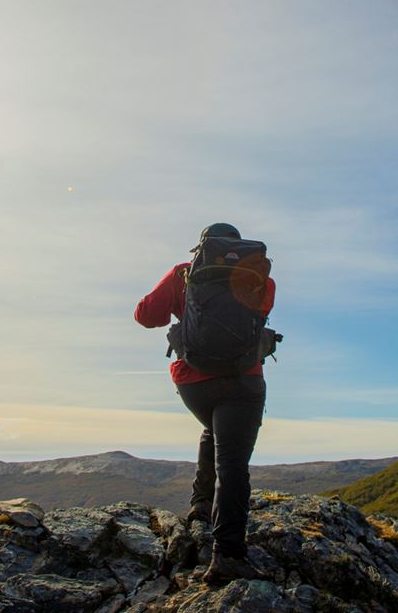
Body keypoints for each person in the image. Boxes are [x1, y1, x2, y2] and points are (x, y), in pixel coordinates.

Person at [134, 222, 276, 584]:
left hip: (194, 382)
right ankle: (227, 555)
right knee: (232, 462)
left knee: (212, 429)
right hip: (244, 381)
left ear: (200, 250)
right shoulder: (260, 278)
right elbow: (258, 316)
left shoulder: (183, 274)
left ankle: (200, 506)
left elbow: (146, 315)